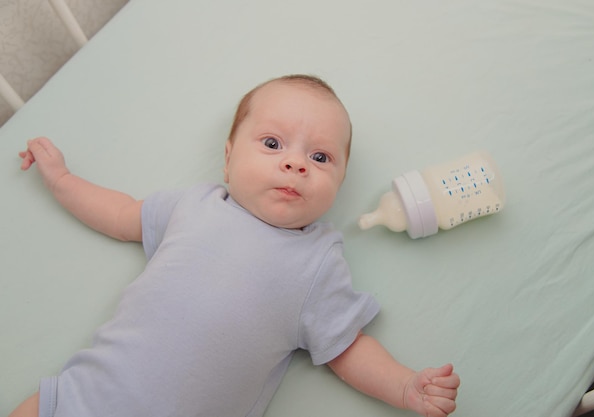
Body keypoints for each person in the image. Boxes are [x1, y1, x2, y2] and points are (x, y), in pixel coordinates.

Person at [11, 74, 460, 417]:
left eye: (320, 158)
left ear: (338, 184)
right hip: (82, 399)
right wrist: (64, 181)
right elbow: (121, 214)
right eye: (272, 143)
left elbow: (347, 347)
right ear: (228, 159)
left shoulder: (318, 262)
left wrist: (405, 386)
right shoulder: (195, 206)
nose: (295, 163)